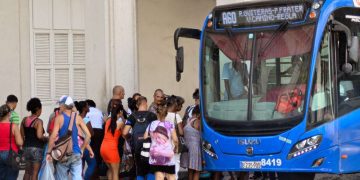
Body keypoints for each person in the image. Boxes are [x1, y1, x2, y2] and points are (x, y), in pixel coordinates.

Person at [46, 95, 91, 180]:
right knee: (77, 177)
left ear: (63, 105)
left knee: (62, 177)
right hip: (76, 152)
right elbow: (88, 135)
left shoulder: (59, 118)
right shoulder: (78, 118)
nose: (59, 106)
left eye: (60, 104)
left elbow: (52, 137)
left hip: (63, 153)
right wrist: (82, 148)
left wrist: (48, 152)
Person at [123, 96, 157, 180]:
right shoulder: (152, 116)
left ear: (137, 105)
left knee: (139, 169)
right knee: (151, 168)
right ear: (146, 104)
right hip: (150, 145)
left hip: (137, 146)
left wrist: (129, 138)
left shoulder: (132, 116)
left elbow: (124, 132)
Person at [144, 100, 178, 180]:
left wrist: (152, 137)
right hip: (168, 154)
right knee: (171, 176)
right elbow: (175, 139)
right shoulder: (170, 125)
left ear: (157, 113)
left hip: (155, 155)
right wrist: (176, 147)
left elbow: (145, 136)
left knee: (159, 176)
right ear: (166, 114)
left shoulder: (151, 124)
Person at [21, 98, 48, 180]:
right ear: (38, 109)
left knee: (27, 172)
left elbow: (22, 135)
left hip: (26, 147)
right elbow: (39, 136)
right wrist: (47, 138)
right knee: (34, 173)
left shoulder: (24, 120)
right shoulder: (38, 121)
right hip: (36, 149)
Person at [100, 101, 125, 180]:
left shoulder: (108, 120)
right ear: (120, 112)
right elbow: (124, 134)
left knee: (110, 169)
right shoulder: (120, 123)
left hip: (103, 148)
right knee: (115, 172)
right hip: (112, 149)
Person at [0, 104, 23, 180]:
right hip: (11, 154)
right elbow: (19, 142)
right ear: (9, 114)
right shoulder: (13, 126)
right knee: (11, 177)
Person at [75, 101, 96, 180]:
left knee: (81, 165)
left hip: (78, 145)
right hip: (86, 145)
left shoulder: (76, 118)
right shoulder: (86, 119)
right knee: (93, 164)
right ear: (84, 108)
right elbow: (91, 133)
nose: (88, 108)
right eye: (87, 106)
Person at [165, 95, 184, 180]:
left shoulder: (162, 115)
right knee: (175, 167)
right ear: (175, 105)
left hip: (163, 146)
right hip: (174, 146)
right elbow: (181, 132)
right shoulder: (177, 116)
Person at [180, 105, 201, 180]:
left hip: (187, 147)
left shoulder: (188, 120)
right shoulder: (197, 121)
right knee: (197, 170)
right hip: (195, 148)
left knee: (190, 170)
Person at [85, 99, 104, 178]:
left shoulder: (87, 112)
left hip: (90, 132)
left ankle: (91, 174)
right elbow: (102, 122)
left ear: (88, 105)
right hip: (99, 133)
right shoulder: (99, 111)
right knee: (97, 152)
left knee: (90, 152)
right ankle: (96, 174)